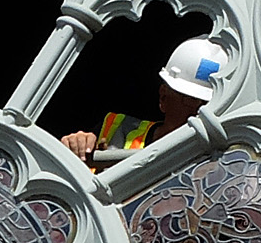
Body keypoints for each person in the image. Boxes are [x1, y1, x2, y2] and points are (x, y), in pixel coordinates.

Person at [59, 35, 227, 161]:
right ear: (163, 97)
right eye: (190, 99)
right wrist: (76, 144)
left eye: (208, 103)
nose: (200, 112)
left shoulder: (217, 161)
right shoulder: (116, 128)